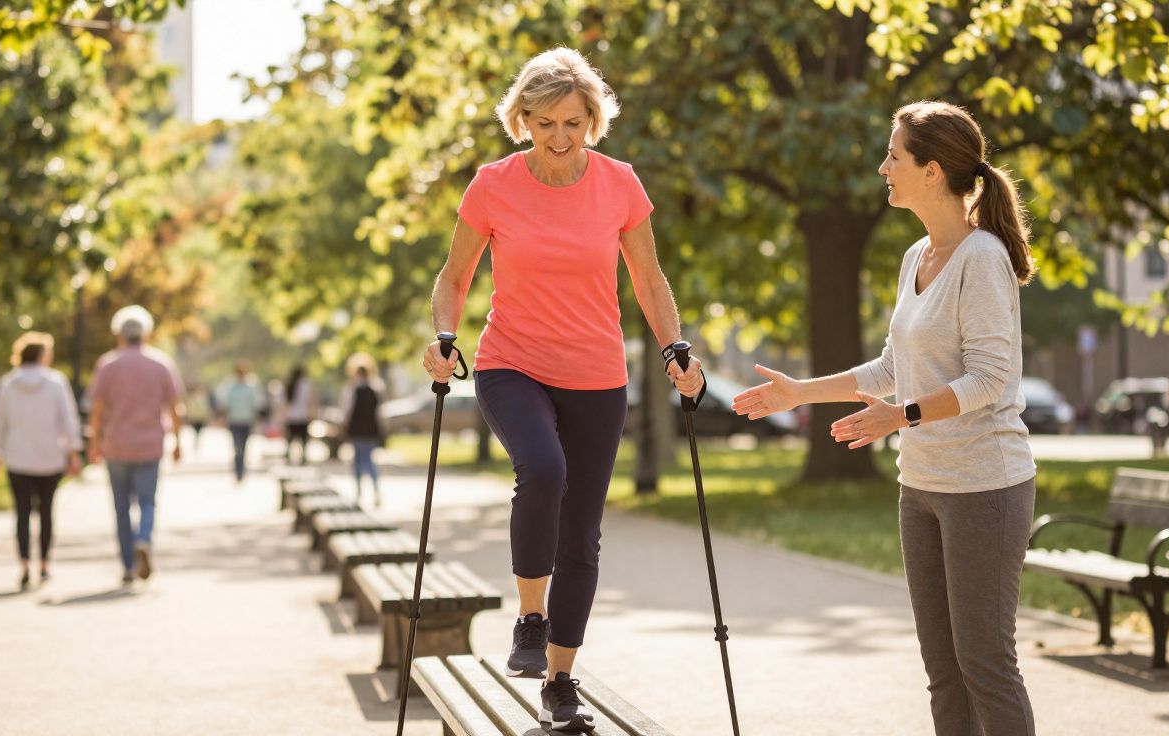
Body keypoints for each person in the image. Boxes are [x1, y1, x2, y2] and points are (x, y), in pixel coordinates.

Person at [421, 47, 703, 733]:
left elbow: (649, 281)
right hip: (511, 363)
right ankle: (530, 616)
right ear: (521, 118)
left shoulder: (620, 184)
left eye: (572, 123)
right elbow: (454, 277)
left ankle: (560, 680)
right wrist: (444, 336)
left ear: (592, 120)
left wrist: (675, 348)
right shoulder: (493, 184)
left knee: (581, 534)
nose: (558, 136)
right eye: (544, 122)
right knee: (542, 469)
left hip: (598, 376)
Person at [734, 100, 1037, 735]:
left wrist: (901, 417)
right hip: (921, 486)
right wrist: (800, 394)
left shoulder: (982, 258)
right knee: (943, 671)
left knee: (985, 664)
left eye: (893, 156)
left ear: (932, 170)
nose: (883, 168)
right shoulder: (916, 256)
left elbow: (991, 379)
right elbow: (891, 367)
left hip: (985, 486)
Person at [88, 305, 184, 585]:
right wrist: (178, 441)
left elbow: (97, 409)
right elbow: (174, 406)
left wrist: (94, 443)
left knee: (121, 508)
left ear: (118, 333)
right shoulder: (161, 364)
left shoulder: (107, 365)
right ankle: (144, 538)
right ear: (147, 333)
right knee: (147, 502)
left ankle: (128, 566)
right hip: (150, 445)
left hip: (116, 445)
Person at [0, 332, 82, 590]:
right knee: (47, 512)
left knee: (22, 513)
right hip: (50, 457)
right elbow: (68, 419)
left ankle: (25, 563)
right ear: (42, 355)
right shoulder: (56, 382)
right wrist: (73, 452)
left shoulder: (8, 383)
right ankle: (45, 564)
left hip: (18, 457)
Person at [339, 354, 384, 507]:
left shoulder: (352, 389)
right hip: (371, 430)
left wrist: (343, 426)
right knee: (369, 461)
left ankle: (359, 493)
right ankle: (376, 492)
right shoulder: (376, 388)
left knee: (358, 461)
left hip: (357, 429)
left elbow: (346, 410)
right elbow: (379, 412)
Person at [219, 360, 264, 483]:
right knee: (236, 445)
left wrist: (258, 417)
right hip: (234, 420)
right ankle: (238, 468)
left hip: (247, 420)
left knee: (243, 446)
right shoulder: (230, 385)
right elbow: (225, 402)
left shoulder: (252, 385)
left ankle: (241, 468)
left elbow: (257, 403)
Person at [283, 365, 316, 465]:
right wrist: (312, 413)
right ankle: (303, 457)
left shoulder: (289, 384)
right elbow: (311, 400)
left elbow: (285, 403)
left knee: (290, 438)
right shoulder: (307, 384)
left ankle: (289, 456)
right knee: (303, 439)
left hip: (291, 416)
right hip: (303, 416)